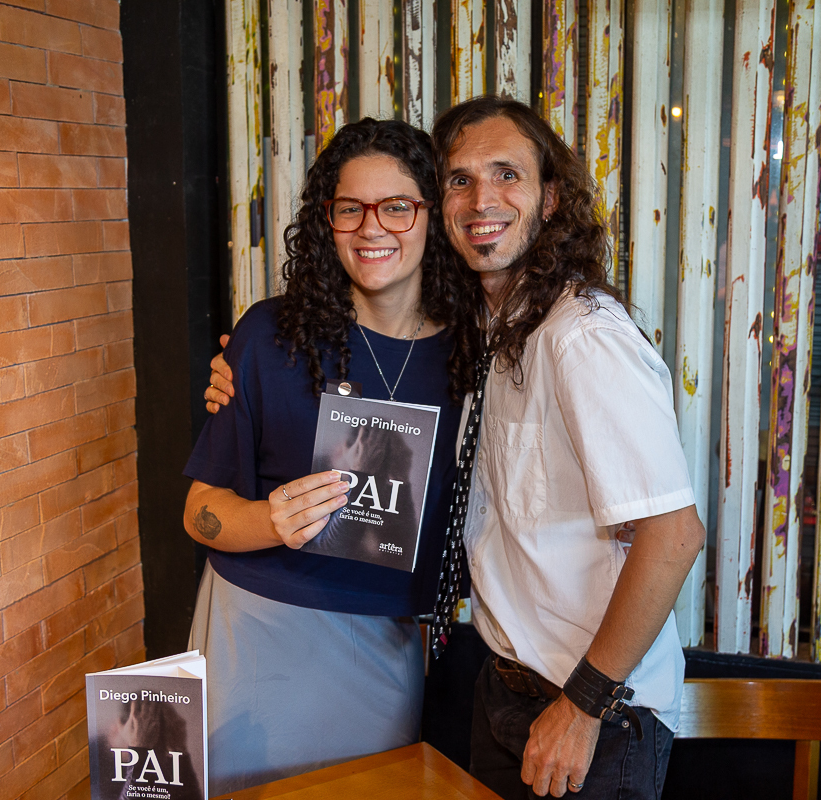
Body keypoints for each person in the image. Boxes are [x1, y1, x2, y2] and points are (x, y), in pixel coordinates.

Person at [207, 97, 704, 800]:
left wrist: (583, 706)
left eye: (507, 174)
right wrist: (241, 366)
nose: (482, 199)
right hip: (503, 690)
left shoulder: (581, 336)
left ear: (552, 198)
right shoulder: (488, 333)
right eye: (460, 180)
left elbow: (675, 535)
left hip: (590, 711)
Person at [182, 117, 480, 795]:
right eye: (351, 208)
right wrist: (269, 520)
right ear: (328, 220)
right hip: (254, 634)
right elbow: (200, 513)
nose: (372, 227)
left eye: (397, 207)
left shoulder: (472, 358)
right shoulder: (268, 337)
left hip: (385, 646)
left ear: (432, 217)